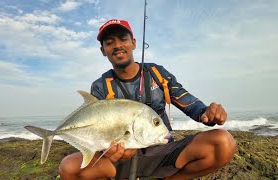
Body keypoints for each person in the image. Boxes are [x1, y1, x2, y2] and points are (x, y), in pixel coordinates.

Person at [59, 19, 237, 180]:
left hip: (164, 152)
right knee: (68, 168)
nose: (117, 45)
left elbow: (189, 102)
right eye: (109, 42)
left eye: (123, 39)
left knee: (223, 142)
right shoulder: (100, 86)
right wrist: (109, 152)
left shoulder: (158, 74)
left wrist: (206, 112)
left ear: (134, 43)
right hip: (120, 161)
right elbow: (98, 133)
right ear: (103, 51)